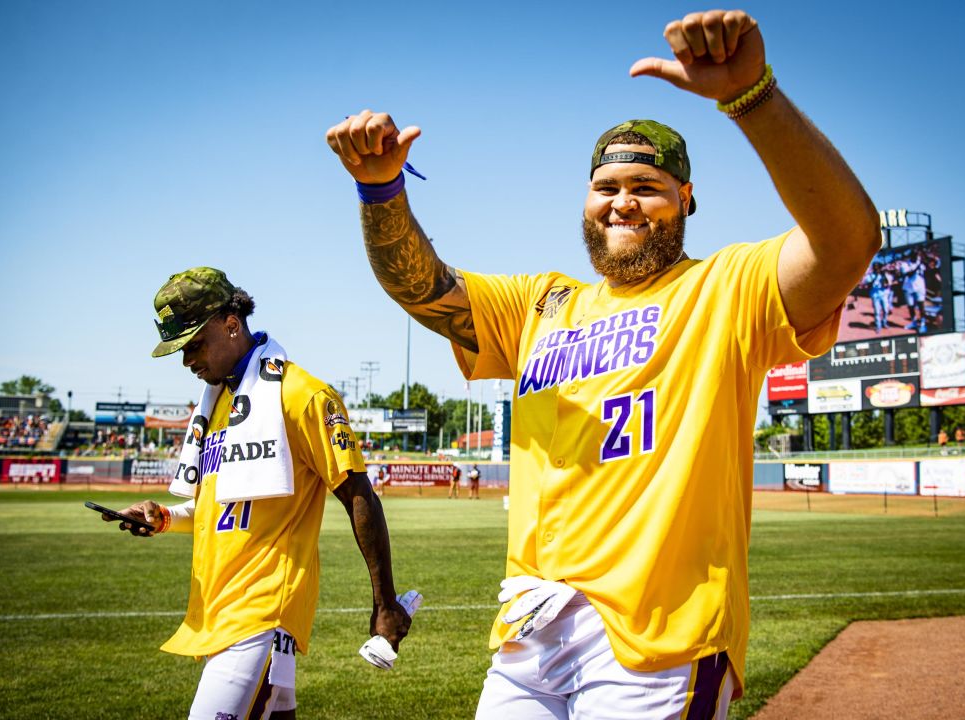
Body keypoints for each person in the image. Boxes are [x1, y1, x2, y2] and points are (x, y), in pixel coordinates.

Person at [326, 9, 878, 718]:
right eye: (606, 186)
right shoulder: (540, 303)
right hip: (530, 632)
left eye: (646, 186)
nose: (622, 202)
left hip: (660, 642)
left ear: (686, 200)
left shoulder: (724, 289)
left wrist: (752, 96)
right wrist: (380, 190)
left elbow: (847, 241)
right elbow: (421, 287)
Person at [105, 267, 412, 720]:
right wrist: (163, 517)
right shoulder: (217, 403)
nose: (187, 361)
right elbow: (216, 508)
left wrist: (385, 603)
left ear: (231, 324)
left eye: (193, 344)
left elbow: (358, 494)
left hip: (262, 612)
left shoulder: (301, 395)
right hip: (220, 611)